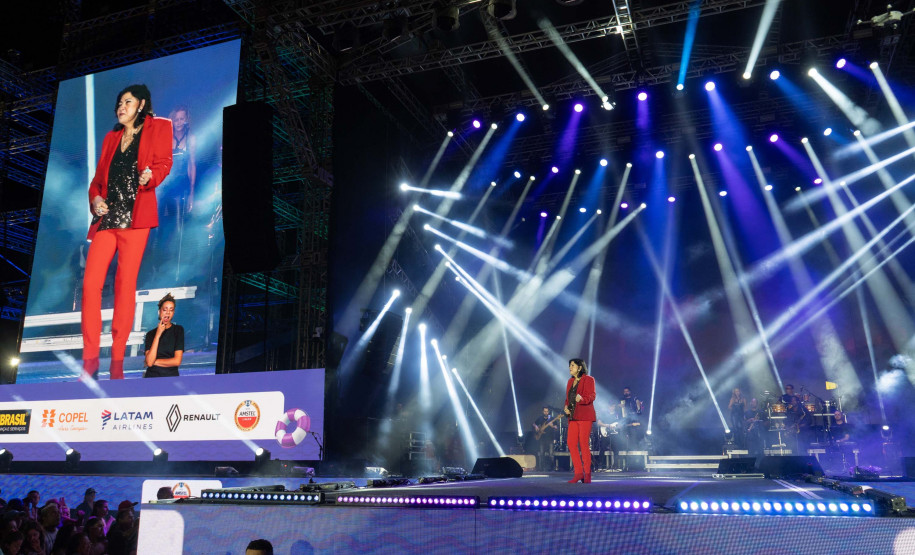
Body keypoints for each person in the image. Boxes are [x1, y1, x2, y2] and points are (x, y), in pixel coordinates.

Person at [81, 83, 173, 380]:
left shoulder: (159, 127)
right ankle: (90, 360)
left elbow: (163, 163)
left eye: (128, 102)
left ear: (142, 104)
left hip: (135, 219)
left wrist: (150, 176)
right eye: (119, 103)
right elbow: (97, 181)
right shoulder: (111, 137)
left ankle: (117, 362)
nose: (121, 107)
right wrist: (95, 200)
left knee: (124, 286)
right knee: (90, 285)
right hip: (107, 221)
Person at [563, 358, 596, 484]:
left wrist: (582, 399)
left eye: (572, 365)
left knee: (583, 444)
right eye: (569, 365)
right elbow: (568, 399)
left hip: (585, 415)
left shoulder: (589, 379)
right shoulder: (570, 381)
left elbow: (592, 396)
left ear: (580, 367)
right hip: (572, 416)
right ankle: (578, 473)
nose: (570, 368)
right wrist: (565, 408)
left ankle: (587, 474)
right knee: (571, 443)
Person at [143, 293, 184, 378]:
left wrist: (155, 361)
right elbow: (149, 362)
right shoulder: (150, 334)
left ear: (173, 313)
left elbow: (177, 361)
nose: (168, 313)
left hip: (171, 377)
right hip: (152, 377)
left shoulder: (178, 330)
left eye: (171, 310)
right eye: (165, 309)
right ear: (159, 311)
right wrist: (158, 334)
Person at [595, 403, 621, 471]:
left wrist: (619, 426)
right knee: (603, 448)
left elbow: (620, 425)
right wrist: (607, 425)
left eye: (613, 406)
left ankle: (615, 465)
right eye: (611, 406)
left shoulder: (617, 415)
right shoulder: (604, 414)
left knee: (616, 449)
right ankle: (600, 466)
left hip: (614, 434)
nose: (612, 407)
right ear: (608, 406)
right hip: (605, 434)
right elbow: (598, 423)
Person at [531, 406, 557, 471]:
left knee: (551, 454)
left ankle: (552, 468)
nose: (546, 412)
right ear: (543, 411)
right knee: (542, 454)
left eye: (547, 411)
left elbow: (556, 427)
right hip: (542, 438)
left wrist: (552, 426)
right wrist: (536, 426)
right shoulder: (540, 418)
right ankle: (541, 468)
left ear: (549, 412)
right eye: (545, 411)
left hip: (550, 438)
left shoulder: (552, 418)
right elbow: (534, 424)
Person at [620, 387, 645, 453]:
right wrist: (619, 406)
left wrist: (639, 408)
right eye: (624, 391)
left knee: (634, 433)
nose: (626, 392)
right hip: (626, 418)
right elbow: (617, 406)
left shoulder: (634, 398)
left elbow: (638, 403)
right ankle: (626, 448)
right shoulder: (622, 399)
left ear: (630, 392)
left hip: (634, 417)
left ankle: (636, 448)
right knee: (625, 432)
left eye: (627, 391)